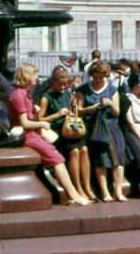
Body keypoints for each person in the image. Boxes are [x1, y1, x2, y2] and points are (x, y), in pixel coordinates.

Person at [8, 63, 90, 206]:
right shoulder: (19, 95)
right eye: (34, 74)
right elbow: (24, 124)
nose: (37, 77)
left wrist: (34, 109)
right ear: (27, 76)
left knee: (59, 155)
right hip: (28, 136)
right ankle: (73, 195)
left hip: (33, 134)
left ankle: (74, 193)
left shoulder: (23, 94)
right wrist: (42, 124)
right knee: (57, 159)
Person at [38, 66, 96, 202]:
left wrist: (73, 108)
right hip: (59, 133)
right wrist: (57, 114)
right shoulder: (46, 97)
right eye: (61, 84)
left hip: (72, 130)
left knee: (84, 150)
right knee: (75, 152)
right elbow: (40, 119)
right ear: (54, 81)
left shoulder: (67, 93)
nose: (64, 87)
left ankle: (87, 187)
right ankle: (77, 188)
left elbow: (73, 110)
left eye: (66, 84)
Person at [76, 61, 128, 202]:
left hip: (111, 128)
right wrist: (91, 108)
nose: (98, 80)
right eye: (95, 77)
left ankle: (118, 191)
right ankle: (105, 192)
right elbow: (78, 111)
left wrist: (110, 103)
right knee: (101, 160)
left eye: (101, 77)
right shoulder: (83, 89)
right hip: (95, 129)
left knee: (119, 159)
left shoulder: (112, 89)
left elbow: (117, 112)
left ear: (106, 76)